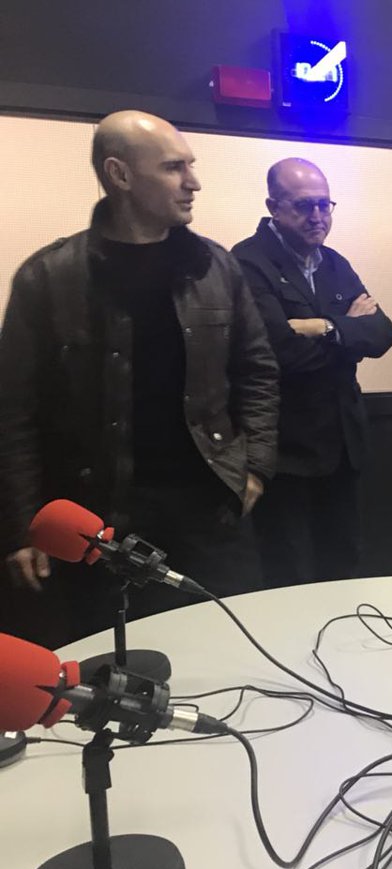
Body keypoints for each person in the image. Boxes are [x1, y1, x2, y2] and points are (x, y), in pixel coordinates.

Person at [0, 110, 278, 644]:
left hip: (209, 509)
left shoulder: (216, 268)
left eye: (190, 166)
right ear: (120, 174)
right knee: (112, 673)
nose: (193, 182)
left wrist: (256, 468)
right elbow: (14, 413)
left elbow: (258, 371)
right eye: (174, 168)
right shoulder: (48, 277)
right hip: (97, 519)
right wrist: (23, 525)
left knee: (232, 653)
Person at [232, 158, 392, 588]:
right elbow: (280, 353)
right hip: (286, 453)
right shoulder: (248, 264)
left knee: (343, 567)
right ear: (274, 206)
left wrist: (324, 327)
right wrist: (348, 330)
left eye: (325, 205)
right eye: (304, 206)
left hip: (342, 445)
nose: (318, 217)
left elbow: (382, 333)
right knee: (286, 575)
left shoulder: (334, 263)